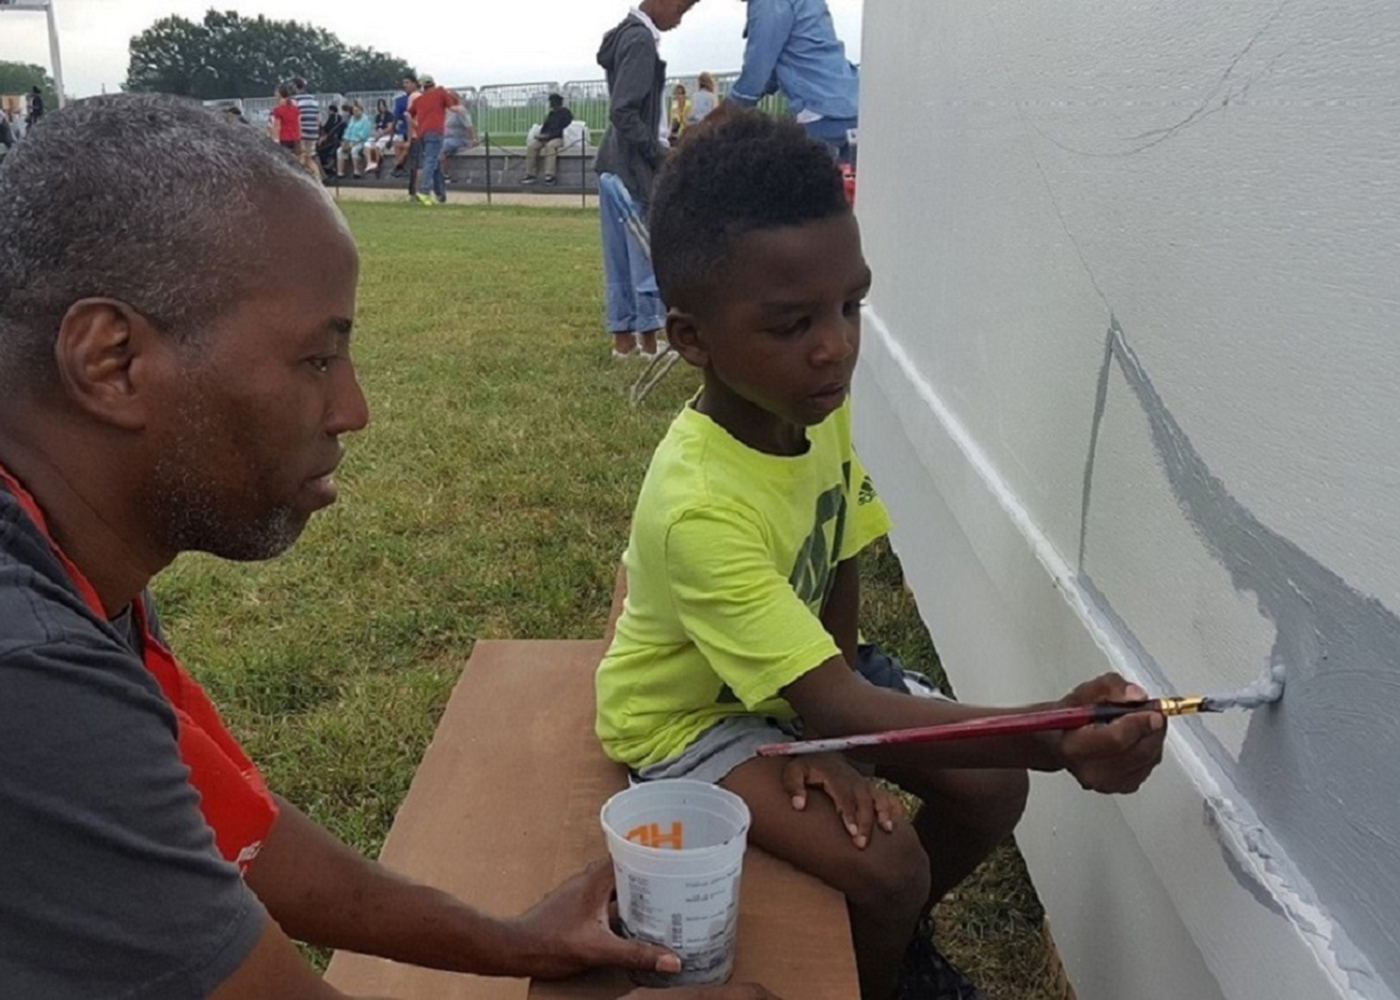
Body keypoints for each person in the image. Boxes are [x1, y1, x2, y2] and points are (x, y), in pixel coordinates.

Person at [0, 92, 777, 1000]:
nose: (353, 410)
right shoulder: (29, 673)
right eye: (317, 360)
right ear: (113, 362)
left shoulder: (64, 549)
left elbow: (238, 837)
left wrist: (515, 943)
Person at [596, 111, 1169, 1000]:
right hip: (687, 719)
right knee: (890, 859)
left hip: (801, 688)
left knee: (993, 791)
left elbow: (843, 556)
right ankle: (871, 975)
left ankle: (891, 950)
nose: (837, 345)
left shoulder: (807, 405)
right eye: (791, 324)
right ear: (693, 338)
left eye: (850, 304)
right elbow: (830, 702)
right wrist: (1052, 730)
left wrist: (841, 734)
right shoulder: (698, 508)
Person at [595, 0, 698, 360]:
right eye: (681, 10)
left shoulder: (626, 36)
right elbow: (624, 110)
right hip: (633, 166)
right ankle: (649, 342)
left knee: (620, 255)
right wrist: (657, 153)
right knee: (644, 252)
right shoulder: (640, 41)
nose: (679, 20)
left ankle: (624, 341)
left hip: (612, 163)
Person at [725, 0, 860, 164]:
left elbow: (757, 72)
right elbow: (774, 72)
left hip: (817, 113)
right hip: (850, 105)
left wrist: (724, 112)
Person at [409, 74, 457, 205]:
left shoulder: (419, 99)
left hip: (422, 133)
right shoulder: (440, 93)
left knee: (434, 163)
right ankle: (424, 192)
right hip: (436, 132)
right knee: (431, 161)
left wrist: (415, 125)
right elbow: (452, 107)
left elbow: (408, 113)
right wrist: (462, 110)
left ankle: (440, 194)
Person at [523, 92, 573, 185]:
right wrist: (541, 135)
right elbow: (545, 127)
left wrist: (549, 136)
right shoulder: (551, 114)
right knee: (532, 147)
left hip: (559, 138)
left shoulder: (566, 113)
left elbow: (563, 129)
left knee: (550, 146)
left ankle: (550, 175)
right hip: (546, 137)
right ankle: (530, 174)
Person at [291, 76, 322, 176]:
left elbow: (296, 118)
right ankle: (317, 177)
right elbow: (318, 117)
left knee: (301, 157)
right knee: (309, 156)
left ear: (295, 87)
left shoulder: (295, 101)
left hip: (302, 131)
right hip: (313, 131)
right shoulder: (313, 100)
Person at [337, 102, 372, 178]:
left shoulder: (365, 120)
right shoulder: (352, 119)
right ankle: (340, 173)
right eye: (354, 111)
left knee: (354, 150)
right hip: (350, 141)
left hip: (360, 142)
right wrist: (345, 140)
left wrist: (353, 142)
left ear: (361, 110)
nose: (355, 112)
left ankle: (357, 171)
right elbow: (348, 131)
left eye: (357, 110)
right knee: (339, 151)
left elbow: (365, 134)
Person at [316, 103, 348, 179]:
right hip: (336, 139)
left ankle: (327, 166)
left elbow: (327, 128)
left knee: (321, 150)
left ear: (331, 110)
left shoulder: (333, 117)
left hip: (331, 140)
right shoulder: (340, 118)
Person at [269, 84, 301, 152]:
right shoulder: (295, 108)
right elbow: (298, 123)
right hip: (295, 137)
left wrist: (274, 139)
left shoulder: (278, 110)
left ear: (280, 94)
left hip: (284, 138)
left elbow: (276, 126)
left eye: (276, 92)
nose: (275, 94)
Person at [367, 97, 395, 174]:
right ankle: (371, 163)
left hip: (387, 135)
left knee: (378, 146)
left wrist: (381, 133)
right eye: (379, 106)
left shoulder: (389, 115)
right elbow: (376, 127)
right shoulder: (378, 117)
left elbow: (390, 128)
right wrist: (376, 134)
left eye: (382, 106)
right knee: (369, 144)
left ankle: (378, 164)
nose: (381, 108)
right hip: (379, 135)